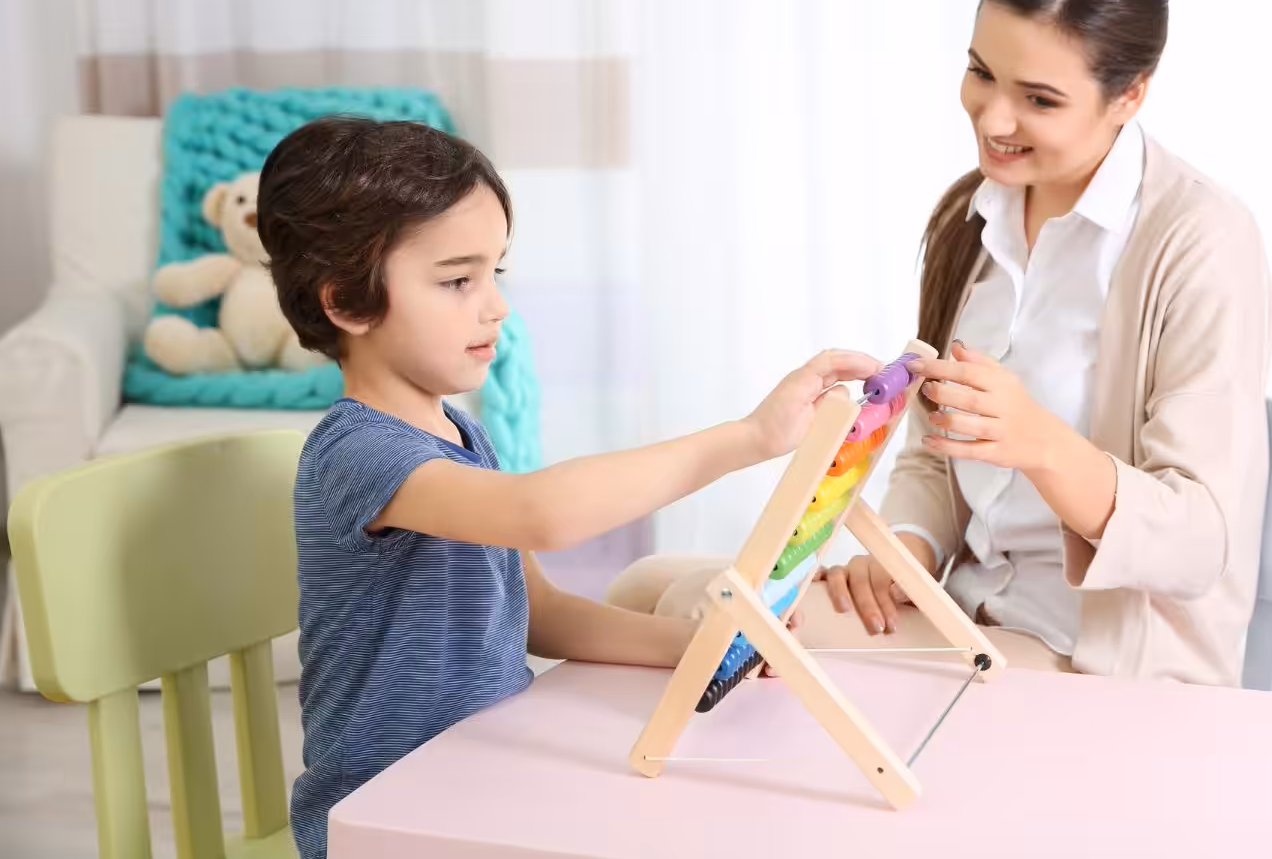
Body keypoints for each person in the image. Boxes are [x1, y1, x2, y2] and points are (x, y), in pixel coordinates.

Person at [607, 0, 1272, 687]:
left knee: (694, 614)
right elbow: (933, 446)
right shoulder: (980, 212)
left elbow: (1201, 541)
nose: (993, 118)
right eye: (981, 72)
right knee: (642, 585)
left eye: (1039, 99)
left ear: (1129, 96)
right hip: (961, 608)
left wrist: (1040, 443)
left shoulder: (1201, 243)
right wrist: (905, 552)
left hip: (1092, 654)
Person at [256, 116, 880, 858]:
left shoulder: (461, 436)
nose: (495, 306)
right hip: (383, 820)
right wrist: (748, 438)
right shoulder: (357, 452)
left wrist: (701, 648)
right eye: (458, 280)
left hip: (482, 780)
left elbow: (537, 613)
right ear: (348, 304)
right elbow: (540, 514)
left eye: (497, 273)